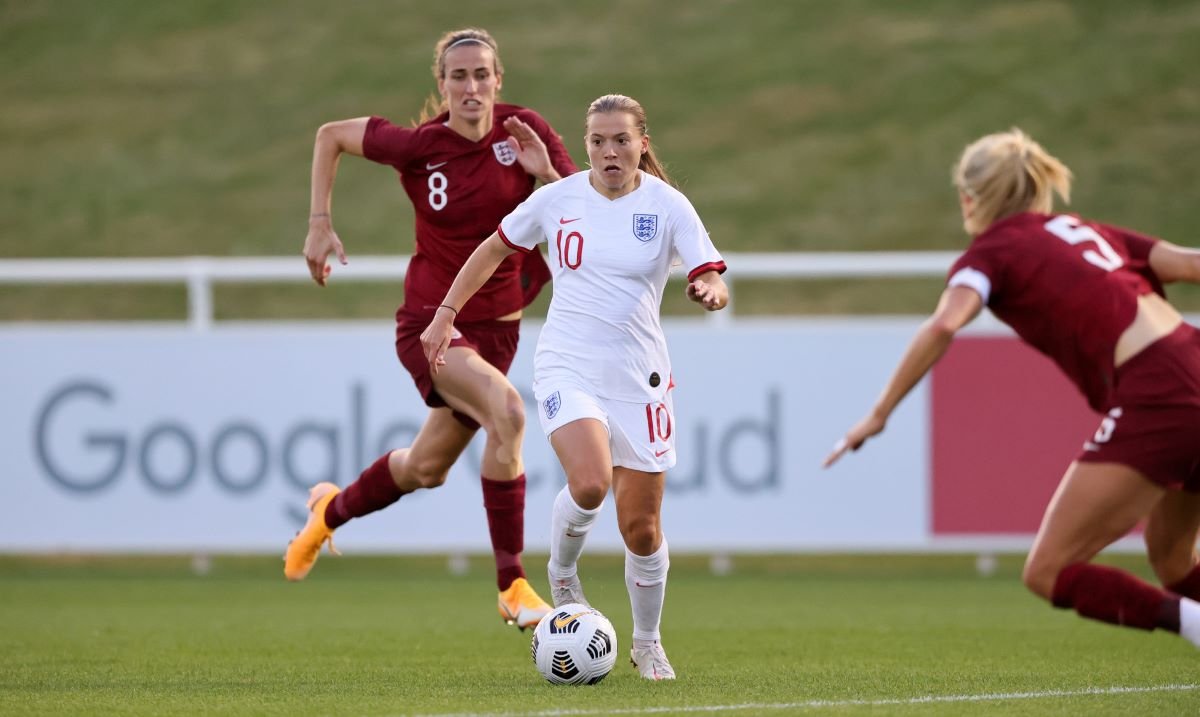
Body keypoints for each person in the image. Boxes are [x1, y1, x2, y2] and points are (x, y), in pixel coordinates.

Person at [825, 128, 1200, 647]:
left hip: (1159, 392)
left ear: (970, 197)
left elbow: (944, 324)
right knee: (1172, 556)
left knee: (1048, 570)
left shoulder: (992, 253)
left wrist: (880, 411)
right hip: (1191, 356)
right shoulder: (1081, 229)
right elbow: (1189, 265)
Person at [421, 94, 728, 680]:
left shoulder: (668, 206)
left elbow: (709, 270)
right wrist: (445, 314)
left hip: (640, 378)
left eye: (620, 140)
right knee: (588, 483)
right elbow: (492, 249)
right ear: (585, 144)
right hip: (567, 365)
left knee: (642, 529)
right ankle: (562, 575)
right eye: (597, 141)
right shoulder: (558, 199)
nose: (609, 152)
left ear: (642, 142)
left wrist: (711, 290)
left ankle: (646, 641)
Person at [285, 27, 579, 632]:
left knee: (425, 469)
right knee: (510, 413)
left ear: (499, 80)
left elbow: (583, 212)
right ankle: (512, 585)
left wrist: (546, 172)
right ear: (441, 85)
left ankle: (326, 513)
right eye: (458, 76)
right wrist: (319, 223)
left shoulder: (527, 132)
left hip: (499, 333)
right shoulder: (420, 146)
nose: (471, 87)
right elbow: (329, 136)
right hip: (432, 324)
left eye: (481, 75)